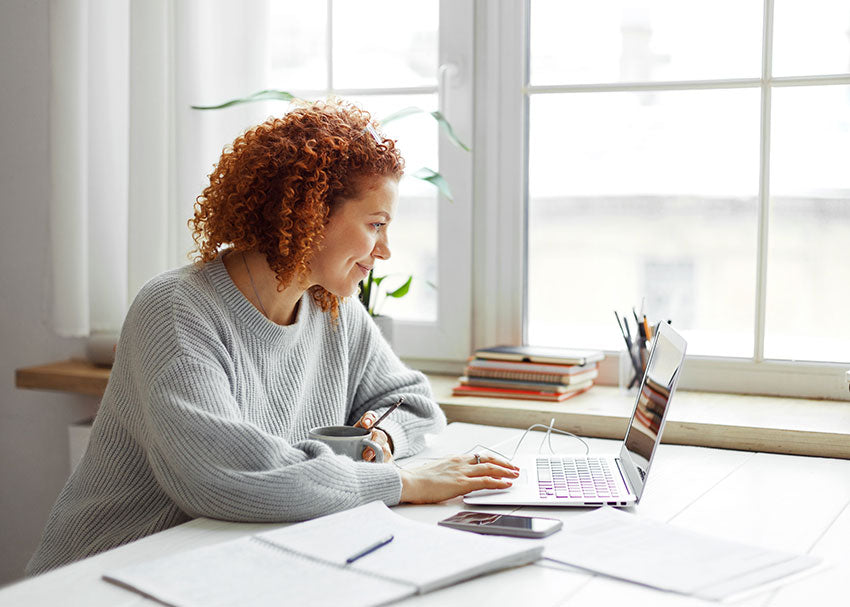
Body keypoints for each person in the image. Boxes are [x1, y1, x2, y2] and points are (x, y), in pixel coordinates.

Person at [26, 99, 519, 576]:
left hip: (229, 562)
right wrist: (402, 481)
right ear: (310, 213)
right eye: (375, 224)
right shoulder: (177, 309)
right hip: (108, 573)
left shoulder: (333, 310)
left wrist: (381, 438)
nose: (385, 250)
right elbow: (226, 477)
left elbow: (412, 403)